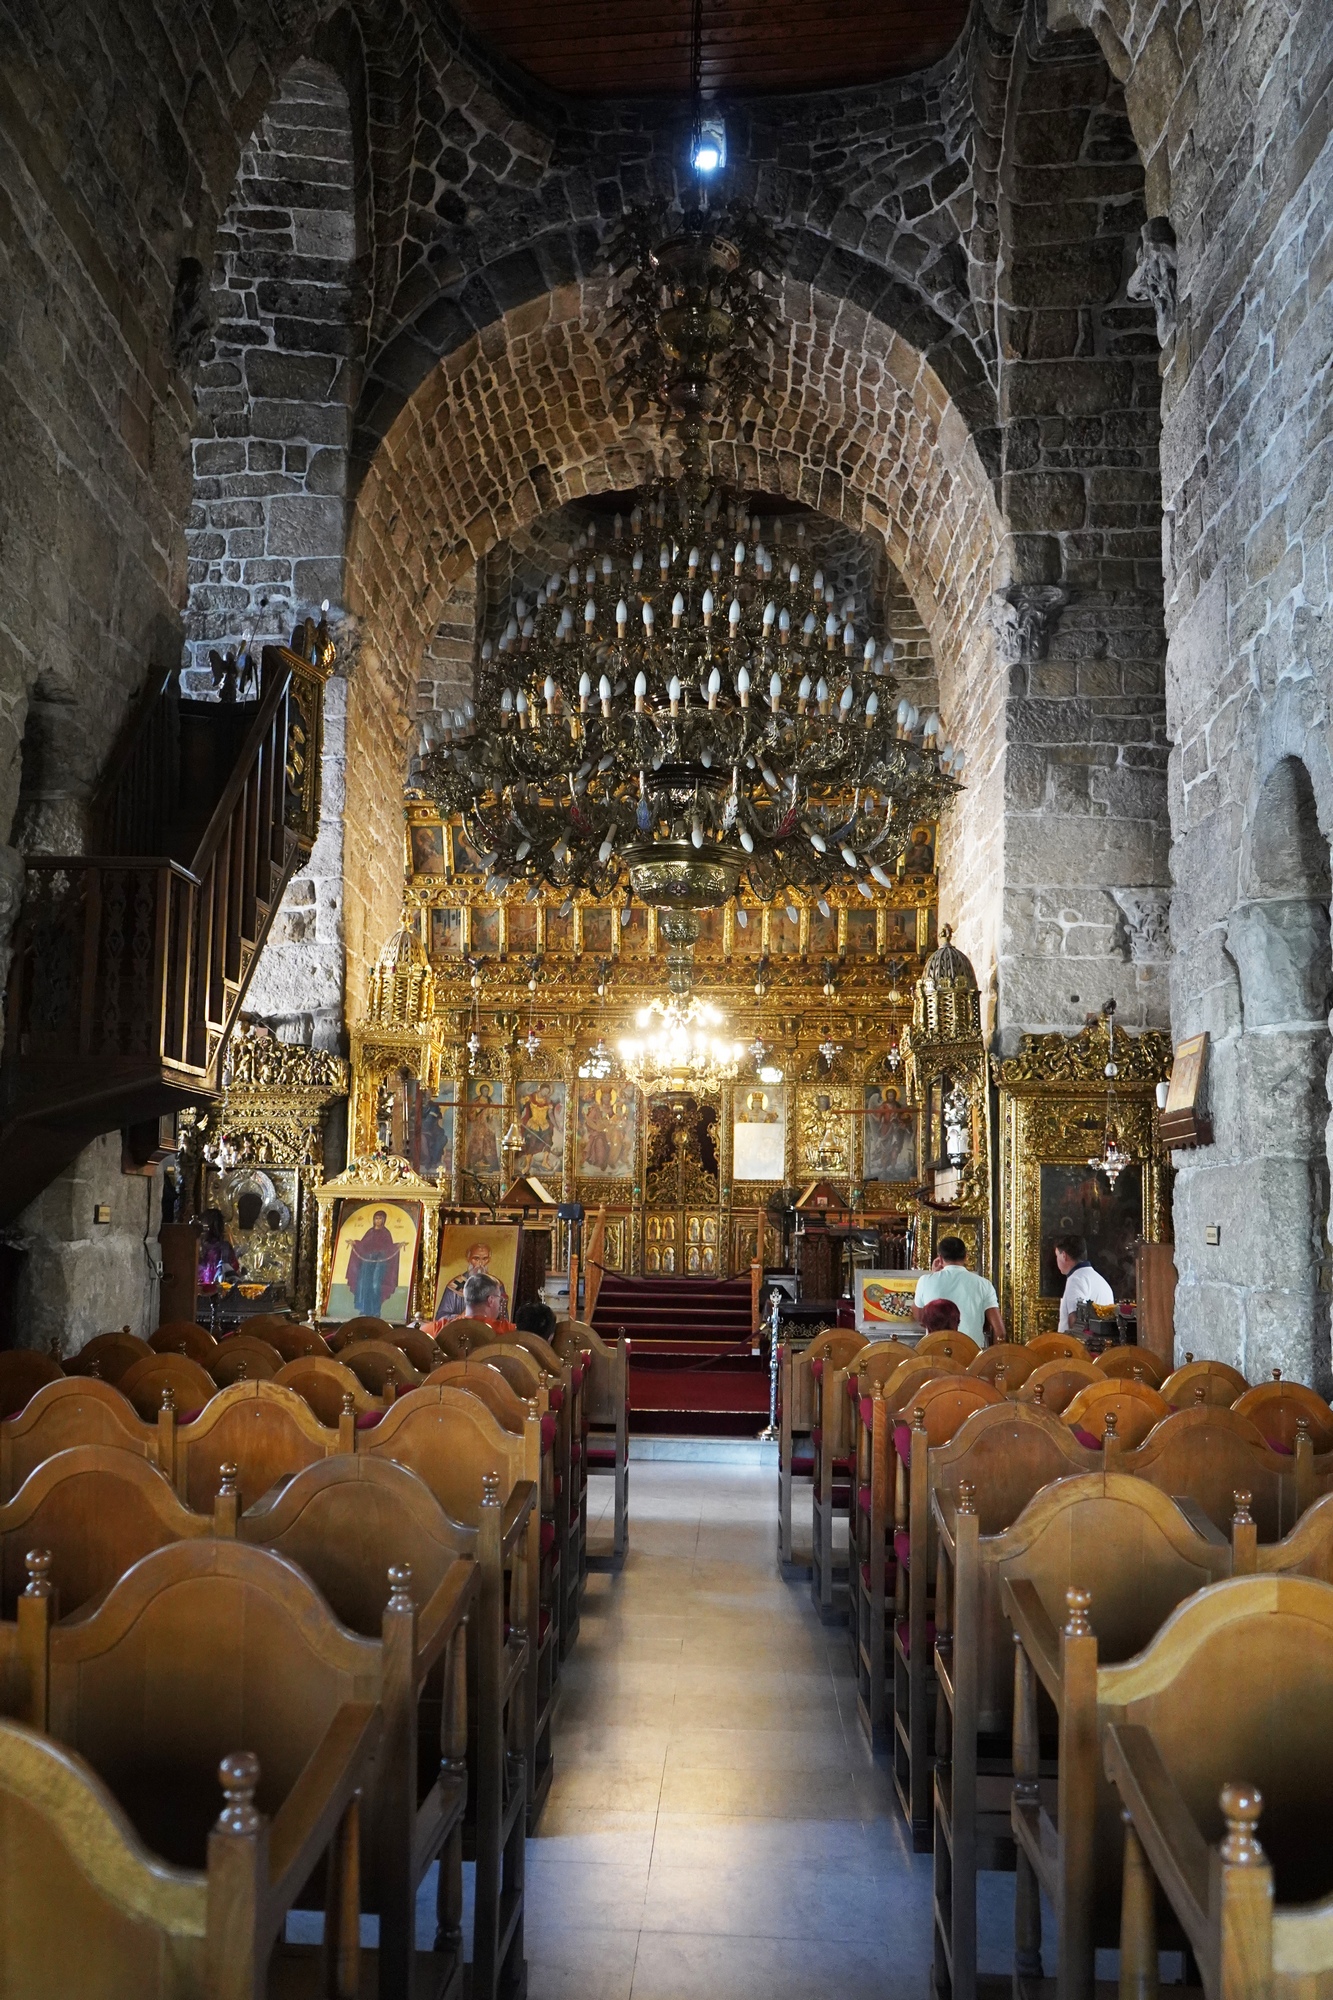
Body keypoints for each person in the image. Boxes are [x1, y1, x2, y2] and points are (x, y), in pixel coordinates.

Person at [912, 1235, 1004, 1344]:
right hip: (971, 1353)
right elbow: (1000, 1332)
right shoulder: (984, 1284)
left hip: (936, 1350)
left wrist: (933, 1276)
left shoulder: (925, 1281)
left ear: (940, 1258)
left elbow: (919, 1316)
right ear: (966, 1256)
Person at [345, 1209, 402, 1318]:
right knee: (365, 1285)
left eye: (380, 1218)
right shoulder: (370, 1232)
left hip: (379, 1263)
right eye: (376, 1218)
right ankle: (365, 1310)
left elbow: (389, 1247)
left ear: (384, 1220)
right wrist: (355, 1243)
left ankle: (376, 1310)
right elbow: (363, 1245)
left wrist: (397, 1245)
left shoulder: (386, 1233)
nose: (378, 1220)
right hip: (367, 1262)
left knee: (376, 1285)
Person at [1054, 1232, 1114, 1331]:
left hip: (1079, 1345)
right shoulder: (1100, 1280)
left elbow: (1075, 1320)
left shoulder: (1076, 1279)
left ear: (1064, 1255)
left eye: (1057, 1255)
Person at [438, 1240, 510, 1322]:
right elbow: (440, 1318)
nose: (480, 1263)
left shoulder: (496, 1284)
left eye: (484, 1259)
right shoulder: (455, 1285)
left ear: (489, 1260)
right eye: (476, 1259)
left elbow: (504, 1319)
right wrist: (462, 1316)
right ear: (468, 1259)